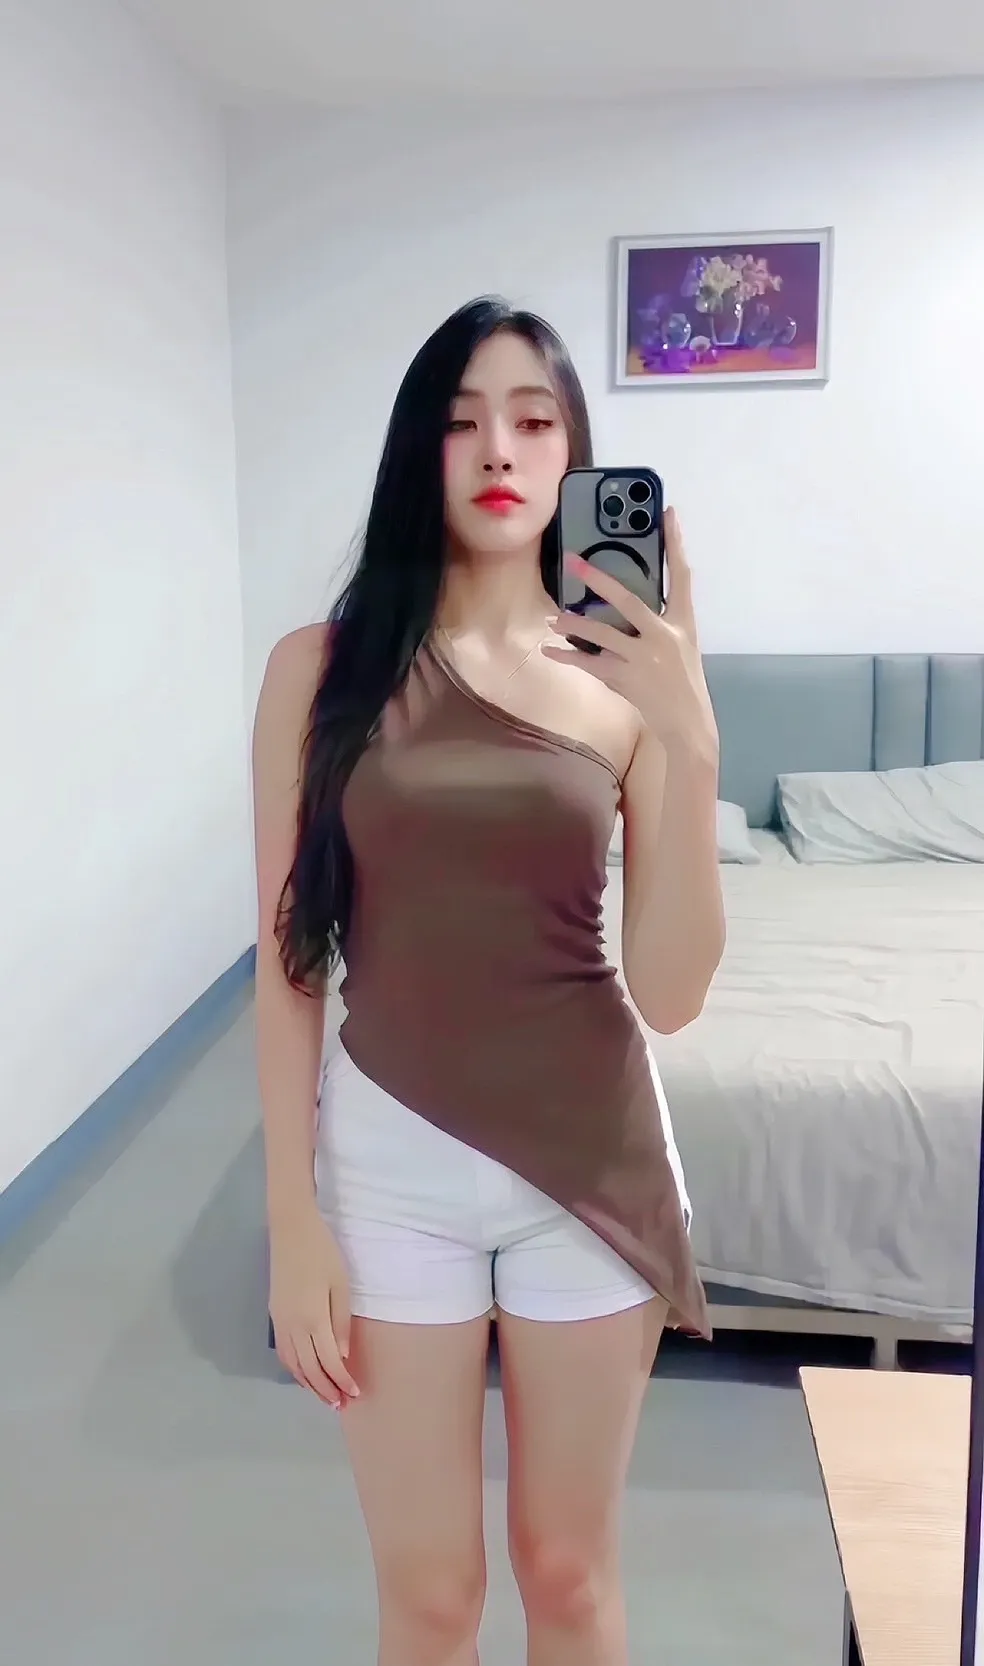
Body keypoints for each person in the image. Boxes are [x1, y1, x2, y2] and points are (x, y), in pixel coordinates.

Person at [252, 296, 725, 1666]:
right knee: (430, 1597)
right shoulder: (319, 672)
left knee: (567, 1578)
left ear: (576, 453)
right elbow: (289, 959)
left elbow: (672, 990)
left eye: (533, 419)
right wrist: (292, 1216)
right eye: (463, 421)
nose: (499, 449)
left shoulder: (626, 683)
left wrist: (691, 740)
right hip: (389, 1169)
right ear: (422, 449)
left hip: (591, 1162)